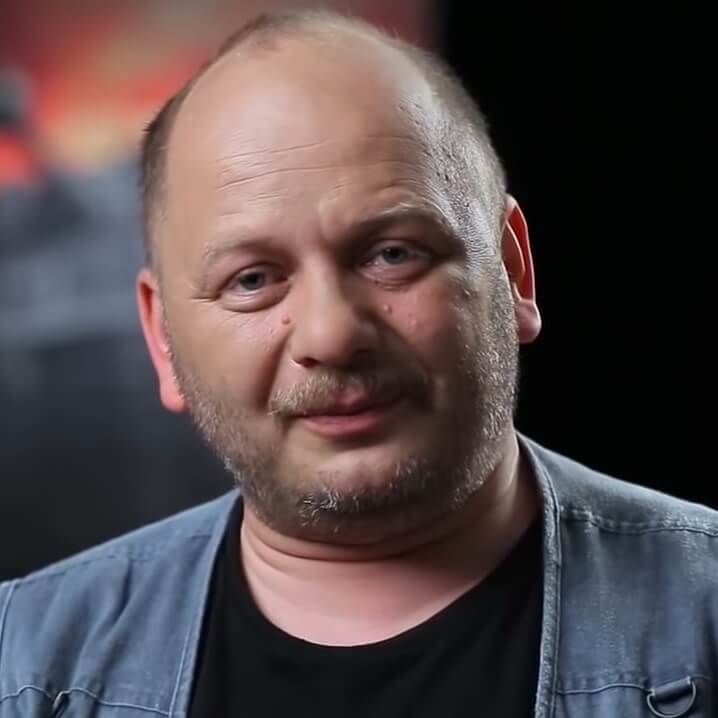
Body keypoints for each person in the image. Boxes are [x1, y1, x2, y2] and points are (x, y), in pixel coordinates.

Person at [0, 9, 715, 718]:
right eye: (253, 280)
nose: (332, 334)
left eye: (392, 254)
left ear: (512, 270)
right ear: (162, 338)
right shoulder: (24, 668)